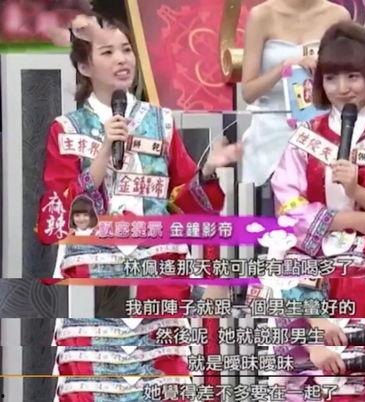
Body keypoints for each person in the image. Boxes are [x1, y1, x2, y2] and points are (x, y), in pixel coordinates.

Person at [37, 13, 242, 401]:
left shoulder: (161, 123)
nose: (121, 59)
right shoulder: (66, 129)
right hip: (96, 283)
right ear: (84, 66)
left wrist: (207, 173)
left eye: (126, 49)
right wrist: (102, 153)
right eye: (107, 52)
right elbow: (57, 213)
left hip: (156, 281)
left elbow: (182, 203)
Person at [268, 21, 365, 400]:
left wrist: (358, 195)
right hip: (318, 270)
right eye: (331, 78)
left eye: (353, 76)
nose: (342, 88)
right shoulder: (305, 137)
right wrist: (350, 221)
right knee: (318, 381)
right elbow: (289, 207)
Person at [240, 0, 350, 215]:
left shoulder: (338, 16)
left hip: (322, 131)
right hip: (271, 132)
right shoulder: (261, 15)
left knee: (325, 211)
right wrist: (284, 67)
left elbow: (349, 80)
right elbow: (248, 92)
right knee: (270, 220)